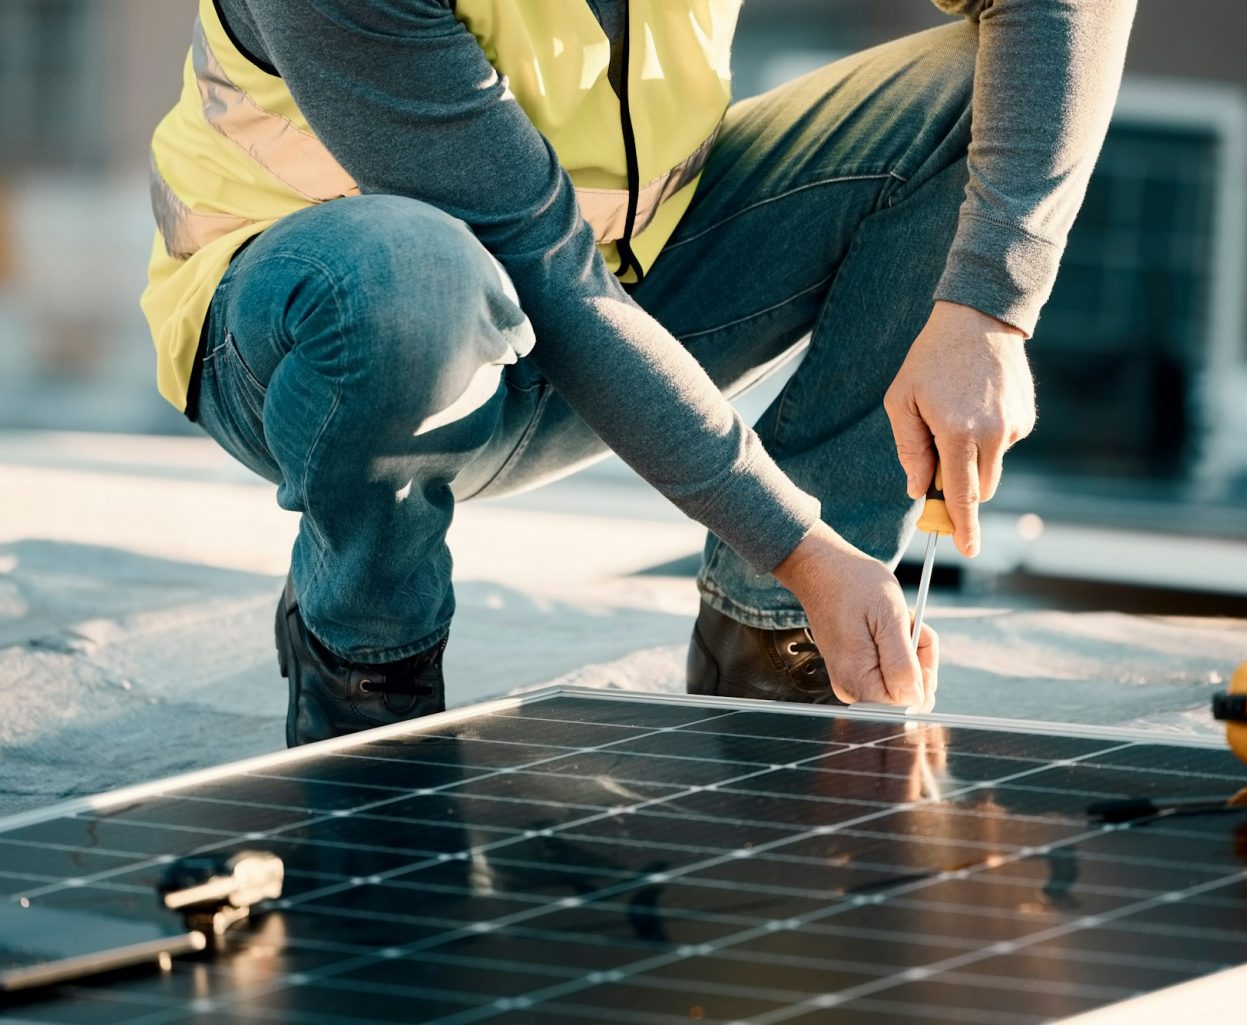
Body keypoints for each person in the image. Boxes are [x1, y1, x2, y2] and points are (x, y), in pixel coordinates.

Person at [141, 0, 1136, 747]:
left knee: (986, 95)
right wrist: (796, 541)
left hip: (628, 280)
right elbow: (547, 275)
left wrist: (987, 306)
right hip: (321, 337)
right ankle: (367, 663)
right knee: (406, 282)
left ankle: (780, 638)